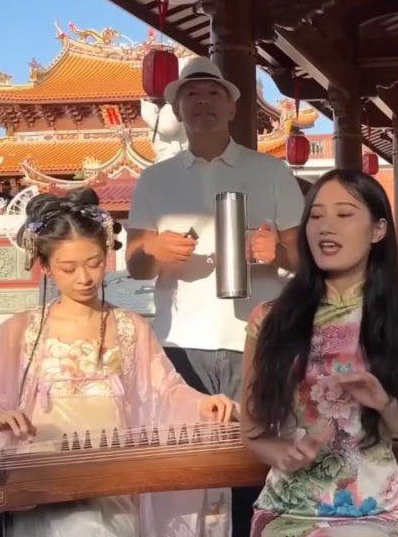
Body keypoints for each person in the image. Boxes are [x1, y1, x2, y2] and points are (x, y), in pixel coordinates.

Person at [0, 188, 237, 537]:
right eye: (68, 268)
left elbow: (164, 390)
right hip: (40, 483)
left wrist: (202, 405)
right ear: (45, 267)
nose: (85, 278)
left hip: (112, 480)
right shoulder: (21, 330)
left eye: (94, 263)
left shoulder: (129, 327)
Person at [126, 56, 305, 535]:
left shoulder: (270, 171)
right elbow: (135, 262)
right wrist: (155, 251)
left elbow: (303, 255)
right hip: (181, 343)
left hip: (255, 339)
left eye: (213, 94)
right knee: (187, 468)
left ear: (231, 108)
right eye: (191, 94)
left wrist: (276, 253)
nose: (202, 102)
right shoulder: (155, 179)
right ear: (178, 109)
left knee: (254, 463)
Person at [241, 169, 398, 536]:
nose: (326, 227)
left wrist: (385, 403)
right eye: (316, 216)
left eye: (344, 214)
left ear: (378, 230)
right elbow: (252, 430)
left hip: (377, 510)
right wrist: (282, 453)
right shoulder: (269, 320)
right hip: (290, 508)